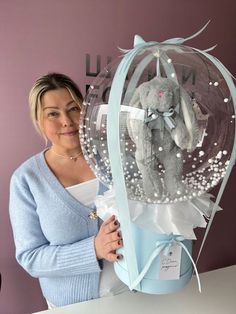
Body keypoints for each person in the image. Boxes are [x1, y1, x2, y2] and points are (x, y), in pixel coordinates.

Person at [9, 73, 127, 309]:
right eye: (53, 113)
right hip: (71, 306)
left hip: (132, 293)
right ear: (38, 120)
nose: (67, 121)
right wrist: (93, 249)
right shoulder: (26, 179)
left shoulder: (115, 159)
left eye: (73, 109)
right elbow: (30, 258)